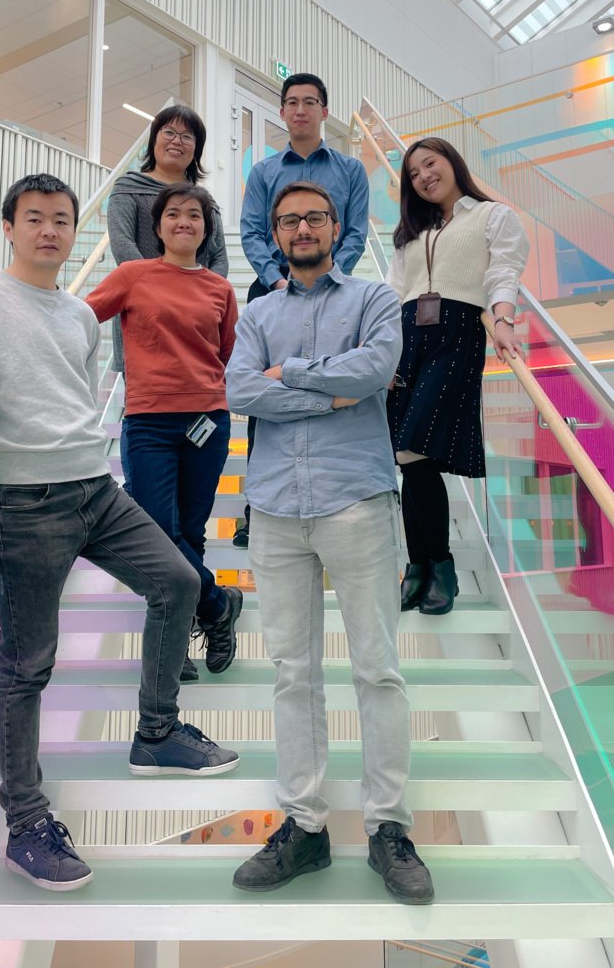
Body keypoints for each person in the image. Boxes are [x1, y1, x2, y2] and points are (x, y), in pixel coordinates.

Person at [0, 173, 239, 893]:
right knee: (28, 664)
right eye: (36, 219)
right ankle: (26, 822)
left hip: (96, 486)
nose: (51, 231)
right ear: (10, 227)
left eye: (62, 220)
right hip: (27, 502)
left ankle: (155, 732)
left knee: (179, 579)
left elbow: (78, 389)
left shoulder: (75, 313)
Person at [226, 181, 434, 905]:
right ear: (276, 235)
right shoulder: (256, 313)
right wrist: (331, 390)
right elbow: (241, 391)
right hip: (277, 507)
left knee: (377, 667)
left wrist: (298, 375)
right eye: (289, 220)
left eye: (314, 216)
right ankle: (306, 827)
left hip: (357, 500)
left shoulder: (374, 299)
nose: (302, 228)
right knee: (293, 672)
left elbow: (376, 369)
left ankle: (388, 827)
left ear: (336, 227)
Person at [87, 182, 241, 679]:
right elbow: (80, 320)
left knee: (190, 533)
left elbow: (225, 352)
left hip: (207, 422)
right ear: (158, 227)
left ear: (206, 227)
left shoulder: (220, 288)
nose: (184, 222)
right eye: (173, 214)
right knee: (159, 533)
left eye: (194, 215)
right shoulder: (132, 276)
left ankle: (179, 643)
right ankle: (217, 605)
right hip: (148, 421)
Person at [387, 137, 528, 616]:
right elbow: (393, 293)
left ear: (452, 163)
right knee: (409, 457)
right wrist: (381, 353)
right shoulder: (410, 233)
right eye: (414, 173)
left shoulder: (492, 217)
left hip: (457, 334)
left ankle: (438, 565)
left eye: (431, 163)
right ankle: (422, 567)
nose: (425, 175)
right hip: (406, 338)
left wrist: (504, 321)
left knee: (414, 448)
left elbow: (503, 273)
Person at [234, 72, 369, 547]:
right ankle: (257, 504)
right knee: (264, 398)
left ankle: (333, 493)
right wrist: (280, 280)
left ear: (324, 112)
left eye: (310, 102)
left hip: (336, 290)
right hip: (274, 291)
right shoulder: (265, 172)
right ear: (283, 112)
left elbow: (354, 232)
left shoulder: (351, 170)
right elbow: (252, 231)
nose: (300, 110)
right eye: (291, 103)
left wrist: (328, 274)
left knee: (332, 375)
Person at [107, 104, 228, 376]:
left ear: (196, 148)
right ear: (154, 140)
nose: (177, 141)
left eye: (187, 136)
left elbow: (219, 258)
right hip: (145, 312)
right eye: (169, 132)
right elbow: (123, 246)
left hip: (196, 316)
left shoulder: (205, 201)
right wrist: (165, 292)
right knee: (146, 402)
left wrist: (202, 295)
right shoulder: (128, 188)